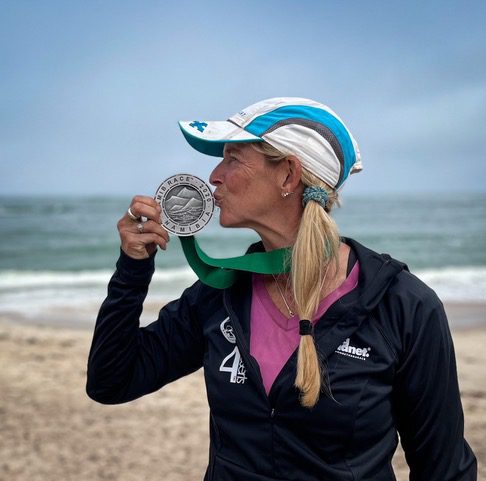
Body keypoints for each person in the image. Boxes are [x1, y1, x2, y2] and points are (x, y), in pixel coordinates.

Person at [86, 97, 477, 480]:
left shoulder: (403, 306)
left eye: (232, 159)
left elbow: (443, 469)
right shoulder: (220, 294)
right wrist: (133, 269)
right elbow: (111, 380)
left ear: (288, 175)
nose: (214, 176)